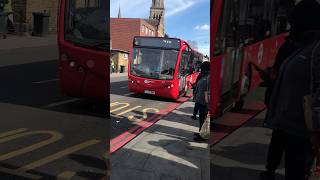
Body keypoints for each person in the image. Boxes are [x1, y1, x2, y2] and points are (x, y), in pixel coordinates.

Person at [264, 0, 320, 179]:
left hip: (302, 134)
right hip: (289, 127)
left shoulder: (315, 50)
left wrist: (316, 134)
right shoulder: (301, 46)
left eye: (293, 22)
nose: (290, 26)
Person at [193, 61, 210, 141]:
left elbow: (208, 91)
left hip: (204, 103)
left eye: (202, 68)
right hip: (200, 101)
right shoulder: (204, 76)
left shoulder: (208, 77)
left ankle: (202, 136)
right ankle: (201, 132)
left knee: (203, 119)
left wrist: (208, 104)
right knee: (201, 119)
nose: (200, 69)